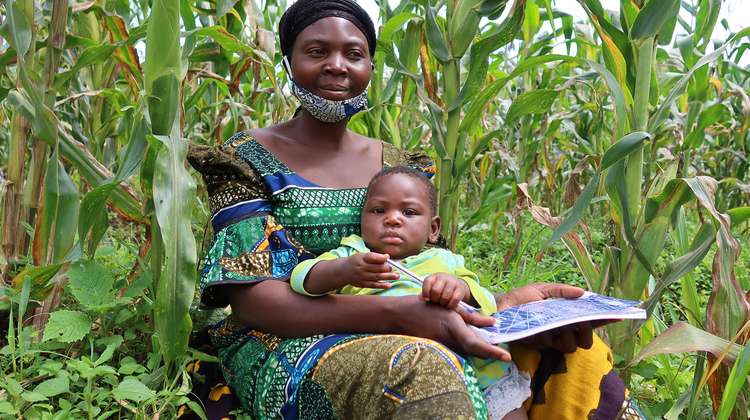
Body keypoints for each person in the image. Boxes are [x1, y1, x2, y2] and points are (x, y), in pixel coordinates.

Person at [184, 0, 641, 419]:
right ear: (289, 61)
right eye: (317, 51)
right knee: (422, 368)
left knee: (571, 354)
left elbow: (424, 275)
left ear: (370, 65)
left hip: (415, 324)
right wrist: (402, 316)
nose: (336, 66)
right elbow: (254, 304)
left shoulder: (402, 169)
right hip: (283, 343)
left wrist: (503, 306)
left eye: (354, 54)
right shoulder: (245, 159)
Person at [291, 166, 531, 420]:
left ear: (433, 229)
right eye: (378, 210)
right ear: (361, 219)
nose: (392, 219)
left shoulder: (444, 260)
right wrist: (341, 271)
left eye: (409, 212)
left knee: (506, 405)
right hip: (397, 356)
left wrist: (458, 287)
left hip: (477, 363)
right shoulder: (354, 254)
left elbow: (480, 296)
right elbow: (301, 277)